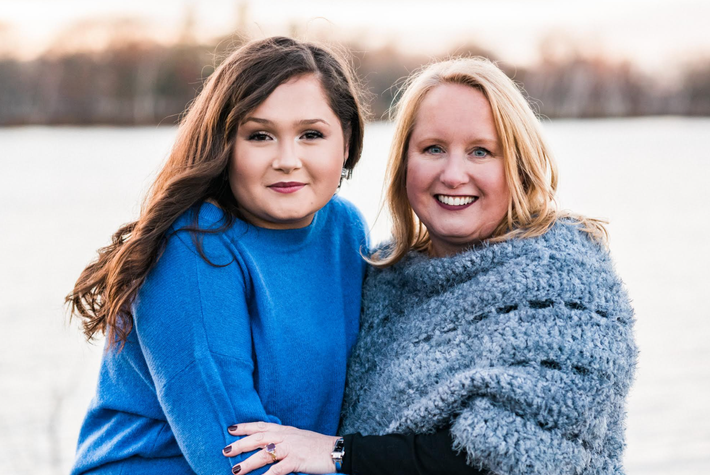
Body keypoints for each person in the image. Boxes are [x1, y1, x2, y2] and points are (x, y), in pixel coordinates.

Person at [224, 57, 637, 475]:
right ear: (405, 163)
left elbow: (517, 456)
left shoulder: (567, 284)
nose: (453, 174)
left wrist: (336, 453)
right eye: (433, 149)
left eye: (481, 151)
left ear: (519, 166)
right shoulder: (383, 275)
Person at [67, 36, 369, 474]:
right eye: (260, 135)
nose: (288, 159)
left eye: (311, 134)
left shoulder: (345, 229)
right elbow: (230, 453)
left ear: (346, 144)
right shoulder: (194, 245)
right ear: (225, 146)